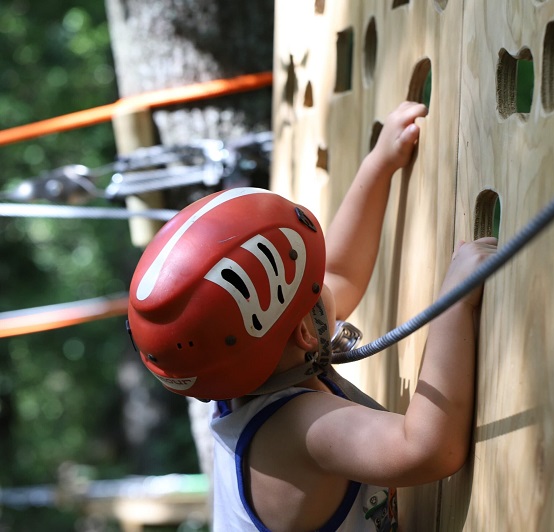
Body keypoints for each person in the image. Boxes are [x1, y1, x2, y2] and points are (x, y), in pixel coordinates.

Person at [127, 101, 498, 531]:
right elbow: (428, 450)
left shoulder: (245, 369)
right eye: (314, 286)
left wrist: (379, 166)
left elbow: (341, 272)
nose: (326, 283)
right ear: (305, 332)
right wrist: (455, 302)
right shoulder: (300, 429)